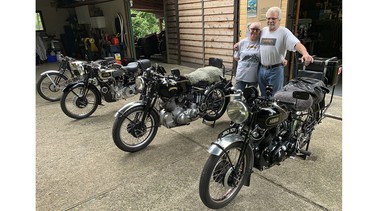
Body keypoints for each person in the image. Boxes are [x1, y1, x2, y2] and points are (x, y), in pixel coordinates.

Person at [258, 6, 314, 96]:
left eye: (273, 18)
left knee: (275, 97)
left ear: (279, 19)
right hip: (261, 70)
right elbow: (251, 40)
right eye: (268, 18)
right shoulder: (263, 31)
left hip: (275, 71)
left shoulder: (284, 32)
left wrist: (305, 53)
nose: (270, 21)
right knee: (263, 97)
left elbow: (296, 44)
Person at [233, 22, 262, 93]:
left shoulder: (261, 43)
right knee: (238, 97)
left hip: (253, 78)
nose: (254, 31)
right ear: (249, 30)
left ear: (260, 31)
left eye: (257, 29)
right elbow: (236, 57)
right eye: (252, 29)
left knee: (251, 99)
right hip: (241, 76)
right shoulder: (242, 42)